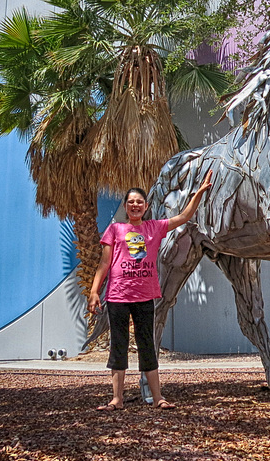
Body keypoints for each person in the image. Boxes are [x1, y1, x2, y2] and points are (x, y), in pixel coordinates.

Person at [88, 171, 212, 411]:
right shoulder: (115, 230)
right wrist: (94, 292)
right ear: (125, 206)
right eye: (131, 202)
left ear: (145, 207)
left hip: (145, 296)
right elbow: (104, 263)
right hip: (117, 296)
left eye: (139, 202)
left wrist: (198, 193)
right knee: (119, 346)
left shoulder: (155, 228)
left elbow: (185, 216)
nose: (135, 205)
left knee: (147, 346)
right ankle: (117, 399)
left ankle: (158, 398)